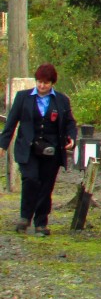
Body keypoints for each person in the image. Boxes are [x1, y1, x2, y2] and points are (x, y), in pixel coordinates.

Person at [0, 64, 77, 236]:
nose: (42, 86)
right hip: (28, 148)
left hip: (52, 149)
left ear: (52, 83)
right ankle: (25, 217)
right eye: (39, 82)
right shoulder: (23, 97)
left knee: (46, 186)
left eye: (46, 83)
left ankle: (41, 222)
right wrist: (2, 145)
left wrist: (72, 137)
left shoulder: (62, 100)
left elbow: (70, 122)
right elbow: (11, 123)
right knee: (31, 180)